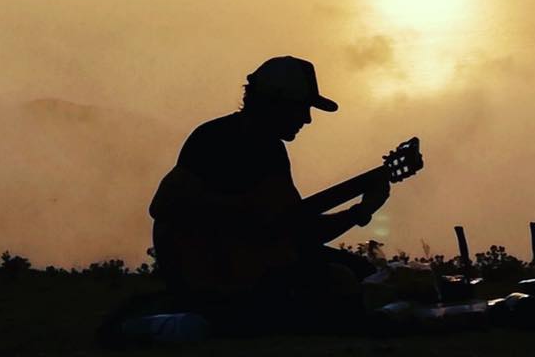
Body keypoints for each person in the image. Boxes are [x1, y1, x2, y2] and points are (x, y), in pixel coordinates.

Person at [148, 56, 390, 330]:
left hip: (237, 273)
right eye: (301, 108)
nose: (308, 119)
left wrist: (358, 211)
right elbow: (163, 205)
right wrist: (360, 211)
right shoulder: (215, 139)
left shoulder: (258, 146)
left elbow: (293, 228)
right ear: (277, 103)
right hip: (223, 279)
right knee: (341, 280)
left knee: (364, 273)